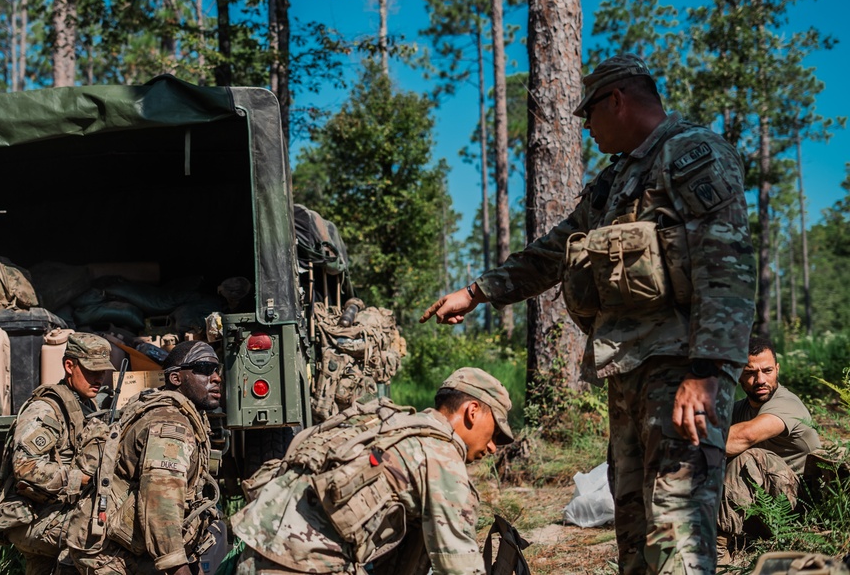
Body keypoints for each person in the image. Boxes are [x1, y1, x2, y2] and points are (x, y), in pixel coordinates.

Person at [421, 54, 755, 574]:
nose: (585, 128)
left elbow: (727, 263)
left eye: (588, 114)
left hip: (682, 368)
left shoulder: (691, 153)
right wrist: (477, 292)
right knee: (633, 527)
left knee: (677, 525)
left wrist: (707, 371)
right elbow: (554, 253)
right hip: (629, 372)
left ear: (617, 100)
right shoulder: (615, 181)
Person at [230, 366, 514, 575]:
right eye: (496, 434)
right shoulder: (442, 457)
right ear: (473, 411)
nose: (492, 447)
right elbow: (459, 566)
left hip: (252, 555)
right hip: (303, 566)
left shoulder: (387, 424)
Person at [70, 340, 224, 575]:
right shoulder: (170, 425)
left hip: (135, 548)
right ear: (176, 379)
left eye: (216, 369)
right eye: (203, 368)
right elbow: (161, 508)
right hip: (113, 557)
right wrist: (179, 567)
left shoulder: (187, 414)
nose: (215, 378)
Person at [7, 332, 115, 575]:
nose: (98, 378)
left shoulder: (86, 404)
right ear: (69, 365)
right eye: (91, 370)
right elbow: (24, 467)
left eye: (102, 371)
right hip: (31, 516)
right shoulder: (46, 409)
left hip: (58, 511)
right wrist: (84, 479)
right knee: (105, 534)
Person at [717, 336, 822, 555]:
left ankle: (720, 551)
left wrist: (682, 446)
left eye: (767, 371)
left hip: (801, 508)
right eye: (750, 373)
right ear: (738, 376)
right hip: (765, 503)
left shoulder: (787, 403)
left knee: (748, 456)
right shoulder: (739, 410)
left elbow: (743, 437)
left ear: (777, 369)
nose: (760, 380)